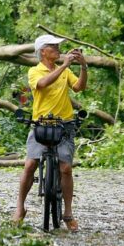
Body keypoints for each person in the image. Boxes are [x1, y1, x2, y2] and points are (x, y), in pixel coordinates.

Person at [12, 34, 87, 232]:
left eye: (57, 46)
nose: (57, 49)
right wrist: (65, 65)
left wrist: (83, 66)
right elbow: (43, 84)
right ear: (42, 51)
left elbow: (79, 87)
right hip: (41, 124)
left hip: (64, 125)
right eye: (53, 46)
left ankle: (68, 213)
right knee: (30, 165)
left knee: (66, 168)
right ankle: (20, 207)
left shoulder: (65, 71)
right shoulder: (34, 71)